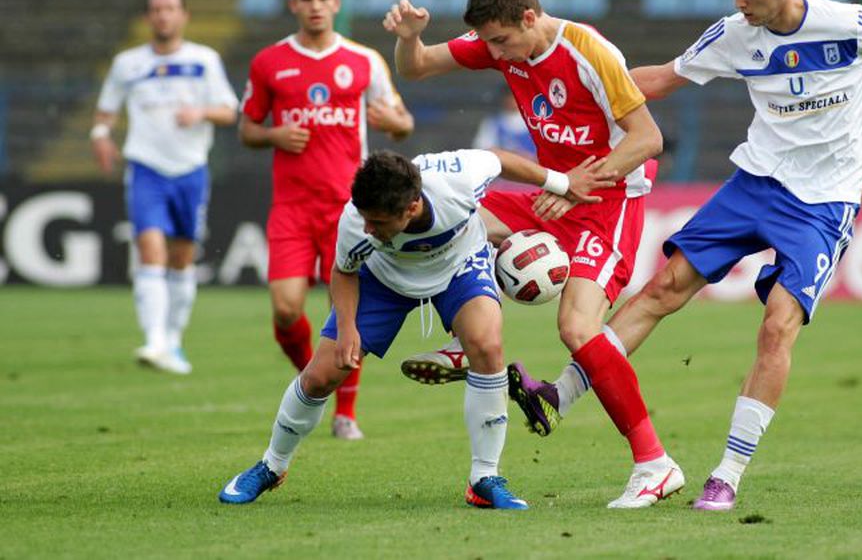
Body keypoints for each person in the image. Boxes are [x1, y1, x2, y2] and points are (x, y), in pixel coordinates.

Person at [506, 0, 862, 511]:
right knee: (662, 290)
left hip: (824, 202)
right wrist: (573, 70)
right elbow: (656, 81)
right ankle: (558, 396)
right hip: (755, 182)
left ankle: (726, 473)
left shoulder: (842, 21)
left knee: (778, 324)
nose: (738, 2)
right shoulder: (733, 34)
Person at [387, 0, 684, 509]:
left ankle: (654, 464)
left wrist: (577, 189)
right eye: (488, 43)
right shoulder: (502, 45)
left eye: (500, 41)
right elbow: (418, 67)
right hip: (552, 191)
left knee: (576, 327)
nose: (495, 52)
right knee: (447, 213)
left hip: (607, 203)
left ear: (529, 18)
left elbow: (649, 138)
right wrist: (409, 37)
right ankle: (469, 340)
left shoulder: (591, 53)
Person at [217, 147, 613, 508]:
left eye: (378, 222)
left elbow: (497, 158)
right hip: (384, 280)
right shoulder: (357, 221)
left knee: (487, 345)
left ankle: (485, 478)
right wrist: (349, 329)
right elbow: (344, 272)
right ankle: (271, 465)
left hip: (459, 266)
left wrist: (562, 183)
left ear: (410, 208)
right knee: (321, 376)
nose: (368, 228)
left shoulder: (456, 181)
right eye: (366, 220)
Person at [240, 0, 414, 440]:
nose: (315, 5)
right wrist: (274, 133)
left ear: (336, 3)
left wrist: (393, 122)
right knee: (285, 308)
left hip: (350, 210)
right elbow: (247, 128)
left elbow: (403, 121)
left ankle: (346, 412)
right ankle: (315, 384)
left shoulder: (363, 61)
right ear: (292, 4)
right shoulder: (269, 63)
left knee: (347, 314)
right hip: (292, 208)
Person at [91, 0, 238, 374]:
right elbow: (105, 112)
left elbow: (228, 111)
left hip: (190, 170)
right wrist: (101, 137)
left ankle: (173, 341)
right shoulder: (127, 64)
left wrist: (201, 111)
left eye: (170, 8)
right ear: (147, 18)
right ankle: (154, 340)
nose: (162, 16)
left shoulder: (204, 60)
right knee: (150, 247)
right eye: (156, 9)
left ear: (183, 16)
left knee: (181, 257)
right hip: (146, 168)